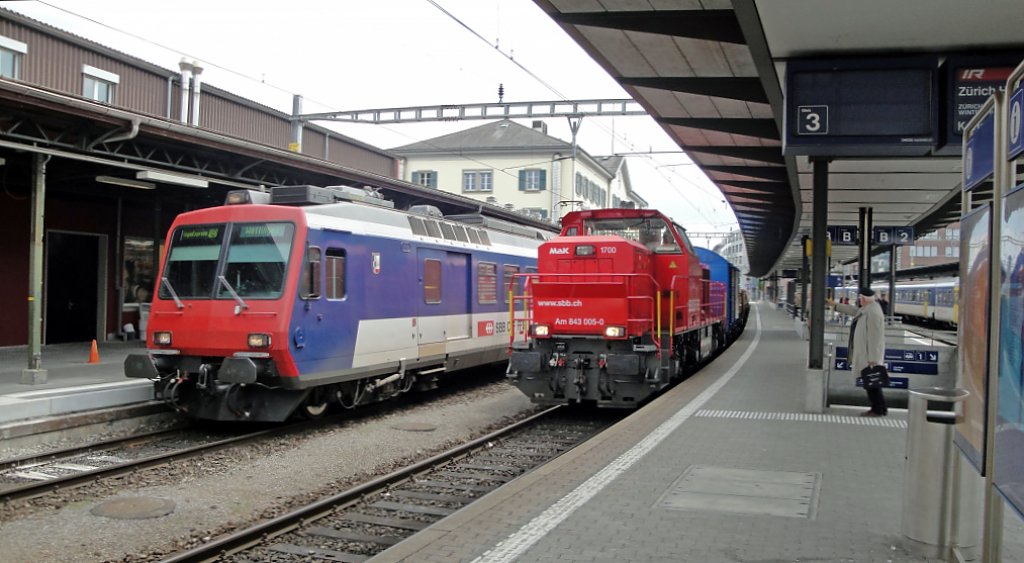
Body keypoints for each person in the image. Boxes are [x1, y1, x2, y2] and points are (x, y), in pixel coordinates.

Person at [828, 288, 887, 416]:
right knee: (871, 382)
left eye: (860, 298)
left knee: (871, 382)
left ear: (864, 299)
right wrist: (835, 305)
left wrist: (873, 358)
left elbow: (875, 338)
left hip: (869, 356)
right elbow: (854, 311)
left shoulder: (874, 313)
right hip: (866, 354)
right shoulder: (867, 309)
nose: (859, 300)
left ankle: (877, 409)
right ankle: (881, 408)